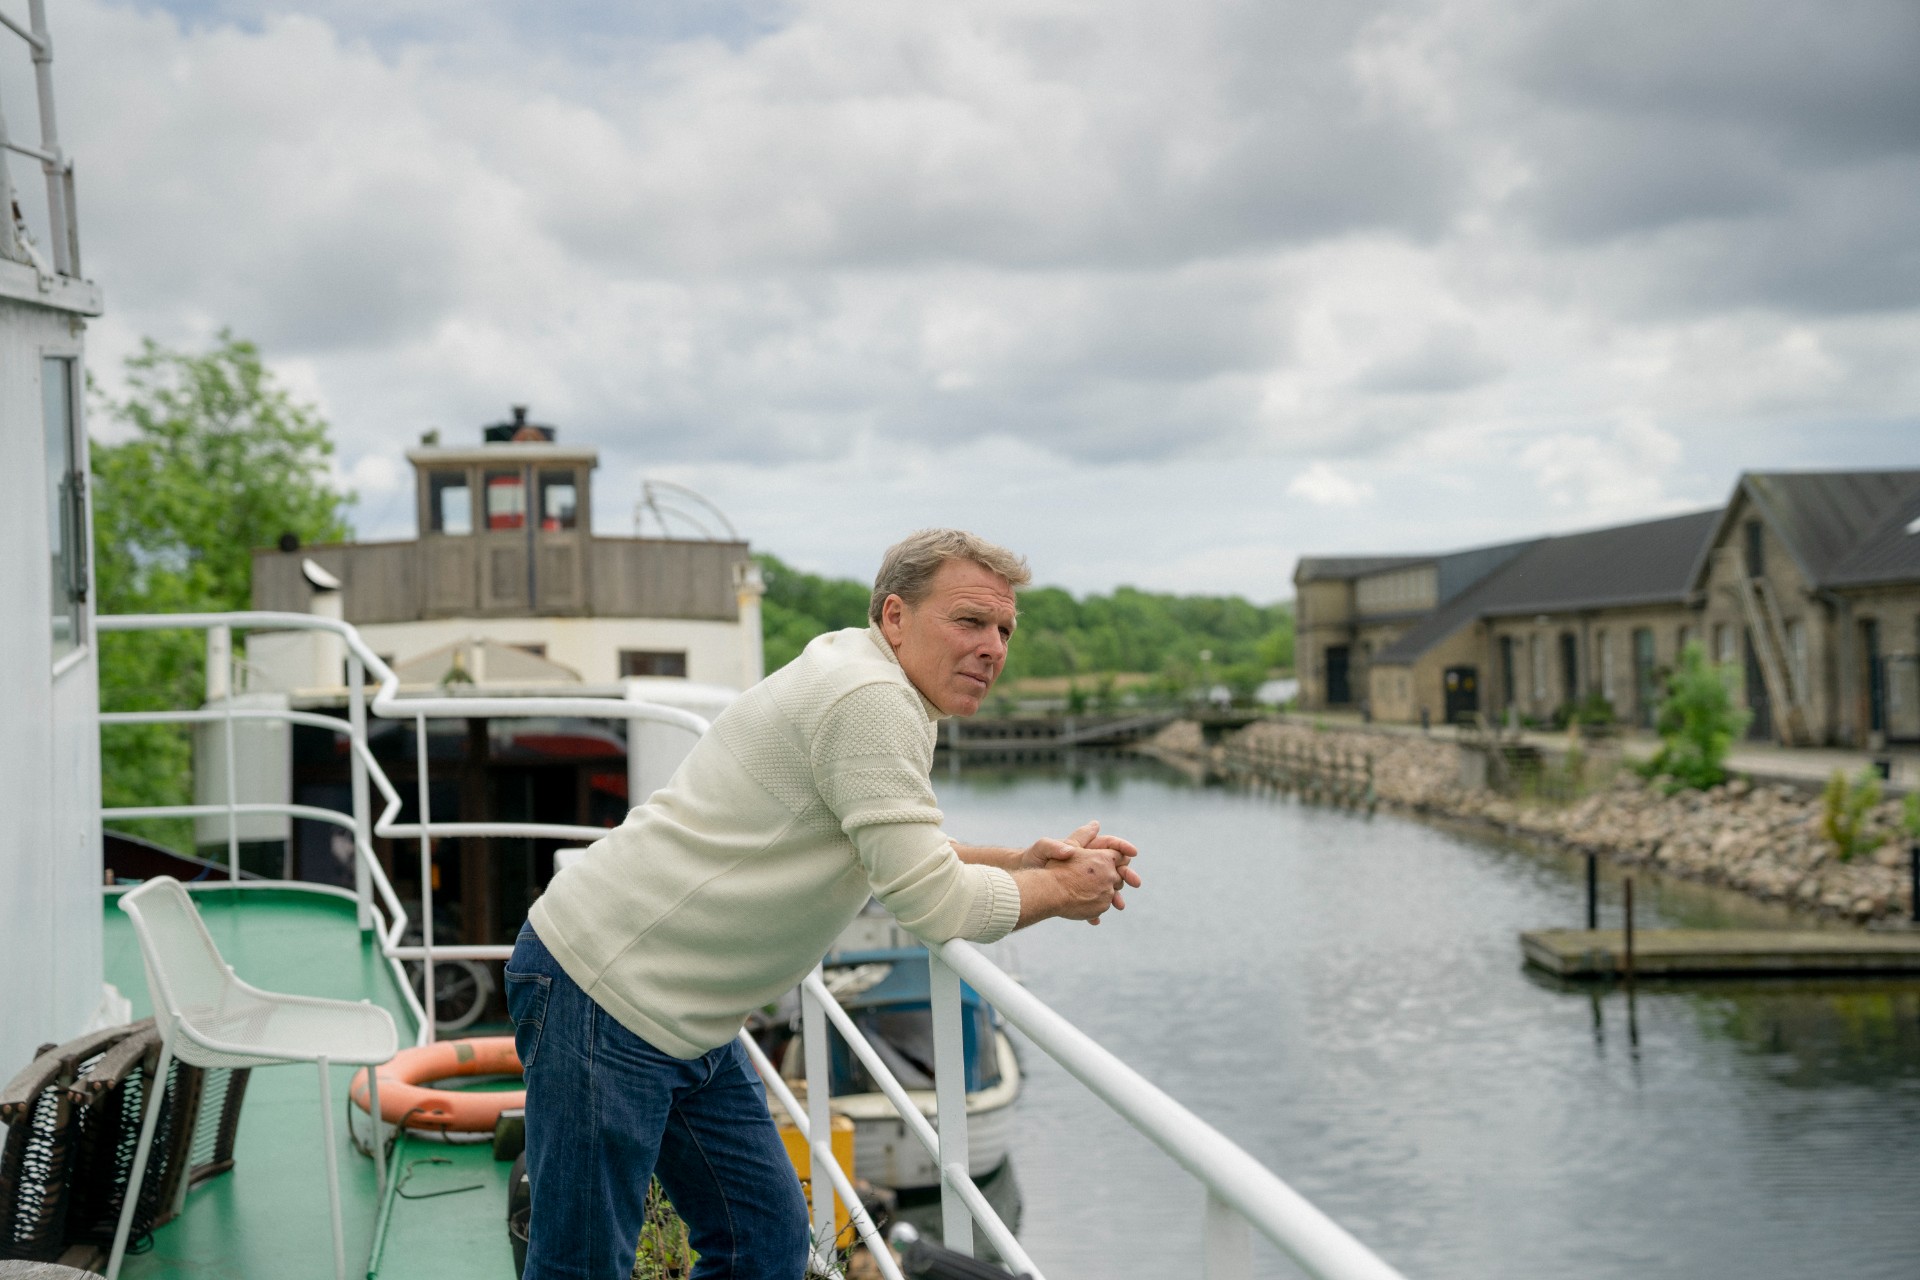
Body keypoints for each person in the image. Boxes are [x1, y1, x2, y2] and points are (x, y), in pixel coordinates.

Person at [508, 528, 1141, 1280]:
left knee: (766, 1245)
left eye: (1004, 630)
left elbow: (883, 845)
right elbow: (934, 904)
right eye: (970, 621)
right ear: (896, 616)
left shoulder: (872, 678)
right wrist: (1065, 891)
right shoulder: (872, 700)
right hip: (604, 990)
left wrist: (1021, 862)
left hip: (687, 1016)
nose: (992, 648)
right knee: (581, 1266)